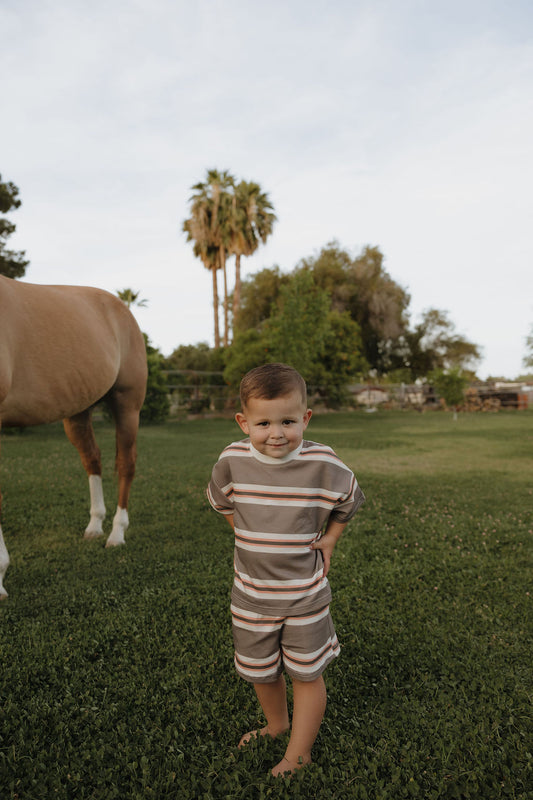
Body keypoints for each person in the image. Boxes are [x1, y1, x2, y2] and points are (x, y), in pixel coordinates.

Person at [207, 363, 365, 777]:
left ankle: (300, 753)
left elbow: (350, 499)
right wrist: (246, 534)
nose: (276, 433)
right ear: (244, 422)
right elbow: (223, 502)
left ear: (305, 418)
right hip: (251, 594)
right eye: (263, 422)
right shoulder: (231, 461)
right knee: (261, 670)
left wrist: (330, 539)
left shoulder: (324, 463)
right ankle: (277, 725)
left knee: (306, 673)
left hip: (304, 595)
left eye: (288, 421)